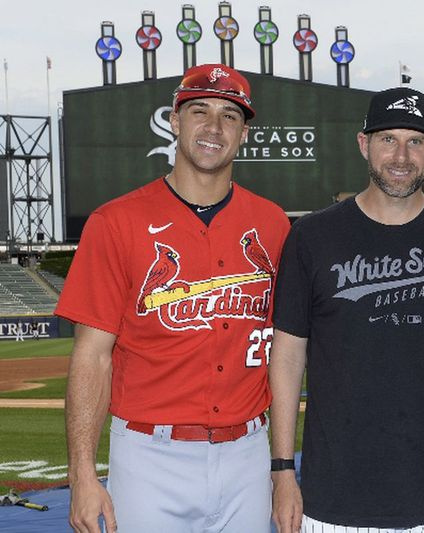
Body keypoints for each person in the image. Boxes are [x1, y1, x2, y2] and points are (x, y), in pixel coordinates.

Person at [57, 63, 290, 532]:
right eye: (199, 110)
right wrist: (82, 473)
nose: (213, 127)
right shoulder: (115, 223)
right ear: (174, 120)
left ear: (244, 133)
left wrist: (282, 470)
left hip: (247, 452)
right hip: (149, 457)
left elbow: (287, 351)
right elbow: (92, 358)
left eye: (229, 115)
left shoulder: (273, 224)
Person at [269, 87, 424, 533]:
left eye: (415, 141)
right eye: (387, 139)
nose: (401, 155)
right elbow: (286, 356)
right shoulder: (313, 236)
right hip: (331, 495)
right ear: (364, 144)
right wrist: (282, 469)